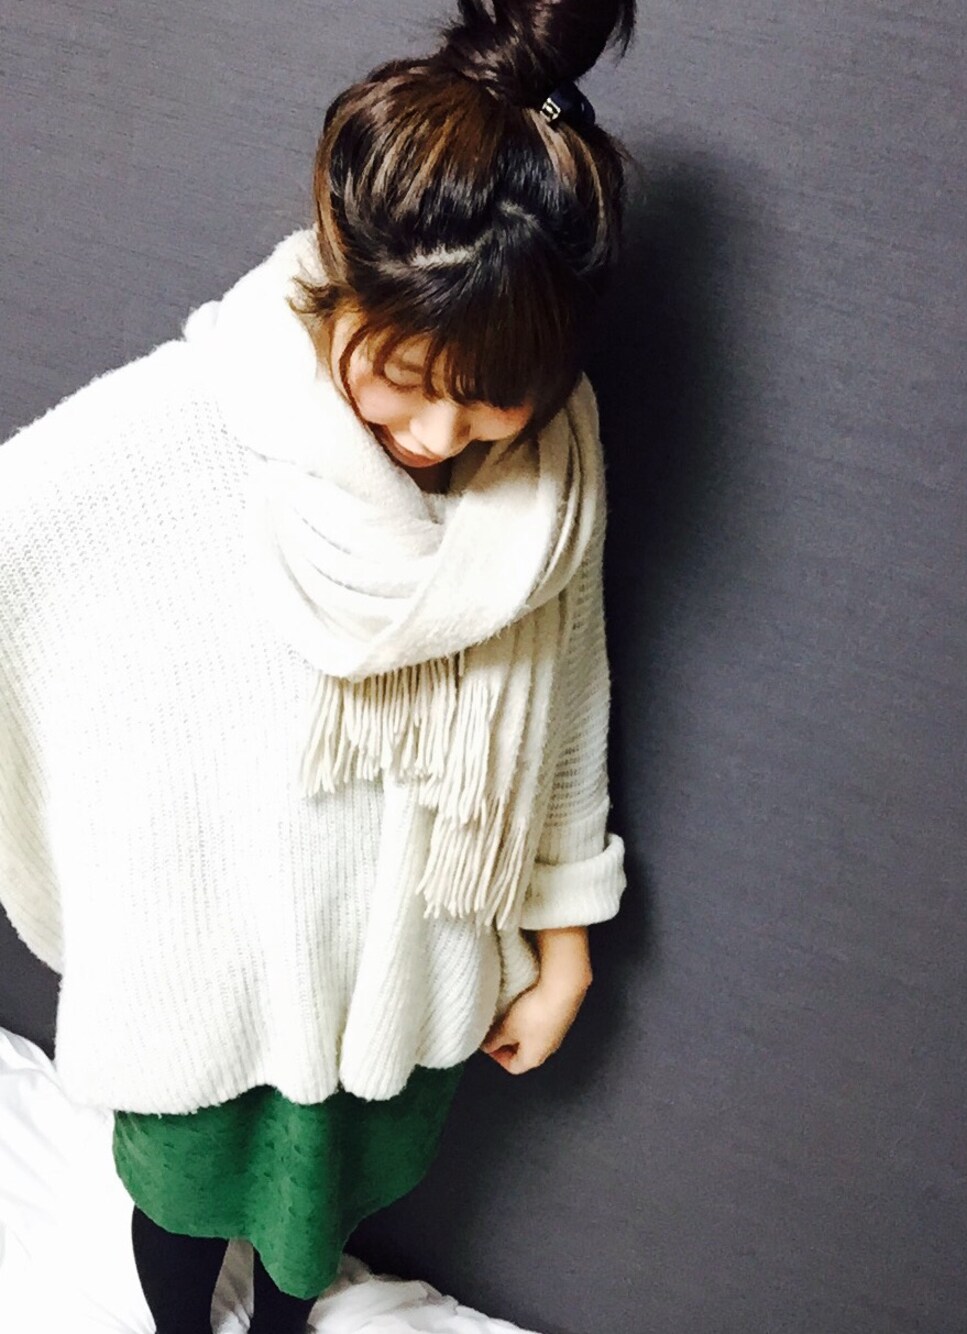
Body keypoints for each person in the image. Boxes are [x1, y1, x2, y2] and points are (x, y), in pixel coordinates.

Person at [0, 0, 635, 1330]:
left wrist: (566, 939)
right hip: (210, 941)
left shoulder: (552, 490)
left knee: (317, 1211)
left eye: (488, 396)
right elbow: (23, 531)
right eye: (404, 375)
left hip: (394, 953)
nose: (437, 432)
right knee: (180, 1199)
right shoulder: (203, 417)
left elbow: (565, 712)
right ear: (346, 287)